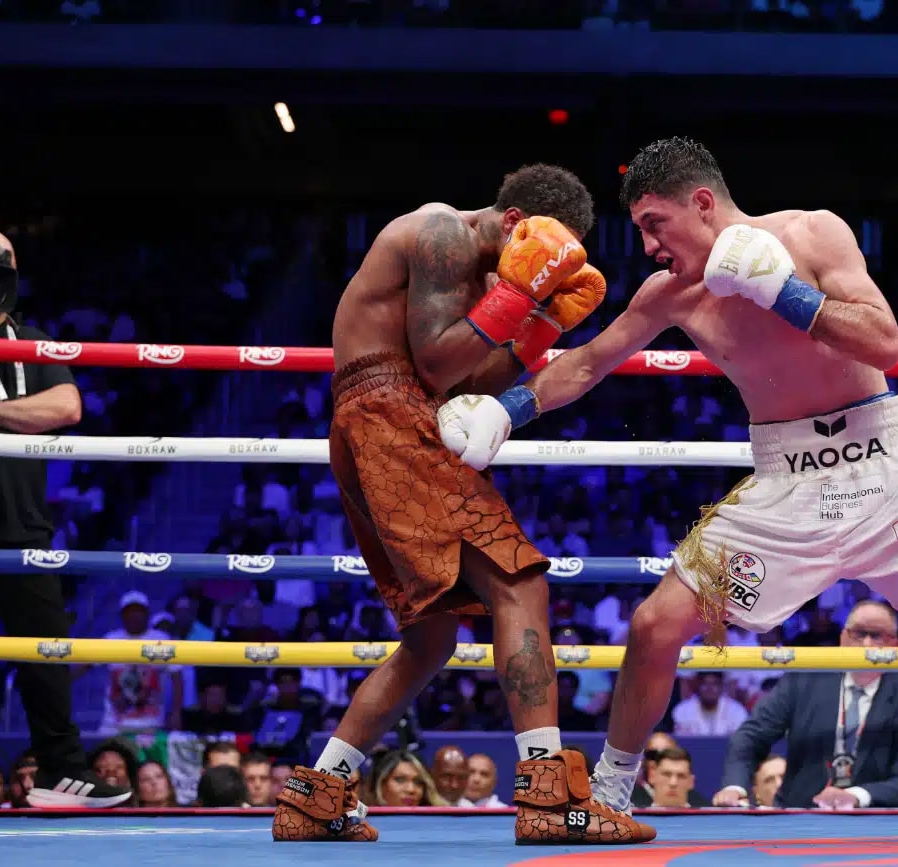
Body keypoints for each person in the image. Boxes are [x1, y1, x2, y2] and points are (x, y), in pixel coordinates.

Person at [437, 137, 898, 843]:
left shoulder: (812, 234)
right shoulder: (673, 292)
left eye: (654, 223)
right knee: (655, 624)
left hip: (883, 465)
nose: (648, 246)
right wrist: (508, 409)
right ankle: (609, 793)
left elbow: (884, 341)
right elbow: (589, 361)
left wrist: (783, 293)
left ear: (702, 202)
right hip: (784, 484)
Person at [270, 165, 654, 846]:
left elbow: (474, 377)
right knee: (518, 579)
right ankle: (548, 795)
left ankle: (319, 792)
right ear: (515, 225)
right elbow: (441, 365)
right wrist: (514, 293)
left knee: (432, 635)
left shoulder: (482, 277)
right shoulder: (442, 231)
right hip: (387, 414)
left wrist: (538, 320)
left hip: (387, 423)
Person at [0, 231, 131, 809]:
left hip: (21, 525)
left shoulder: (34, 343)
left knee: (47, 655)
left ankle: (59, 771)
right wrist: (20, 419)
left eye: (1, 261)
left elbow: (67, 407)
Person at [712, 601, 898, 809]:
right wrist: (734, 786)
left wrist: (855, 796)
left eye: (877, 636)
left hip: (871, 823)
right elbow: (752, 736)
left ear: (895, 644)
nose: (867, 645)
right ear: (843, 638)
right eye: (859, 634)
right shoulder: (805, 680)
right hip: (799, 816)